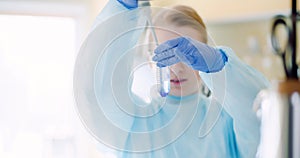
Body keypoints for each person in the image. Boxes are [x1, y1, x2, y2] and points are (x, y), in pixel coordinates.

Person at [94, 0, 270, 157]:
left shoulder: (224, 120)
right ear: (150, 60)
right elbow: (100, 94)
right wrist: (123, 10)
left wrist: (220, 64)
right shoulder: (135, 123)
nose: (176, 68)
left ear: (204, 56)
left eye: (187, 56)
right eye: (166, 55)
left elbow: (262, 114)